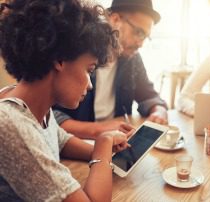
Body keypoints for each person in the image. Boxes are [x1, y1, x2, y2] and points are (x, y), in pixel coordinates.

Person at [0, 0, 134, 201]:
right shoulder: (10, 123)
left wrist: (102, 148)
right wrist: (103, 146)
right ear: (60, 60)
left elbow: (60, 140)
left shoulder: (32, 105)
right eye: (89, 70)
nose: (89, 85)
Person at [53, 0, 168, 139]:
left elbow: (149, 95)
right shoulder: (79, 51)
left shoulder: (132, 58)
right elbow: (50, 115)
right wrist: (99, 129)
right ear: (115, 19)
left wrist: (159, 110)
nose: (141, 43)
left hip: (115, 140)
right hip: (75, 145)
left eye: (145, 37)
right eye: (138, 32)